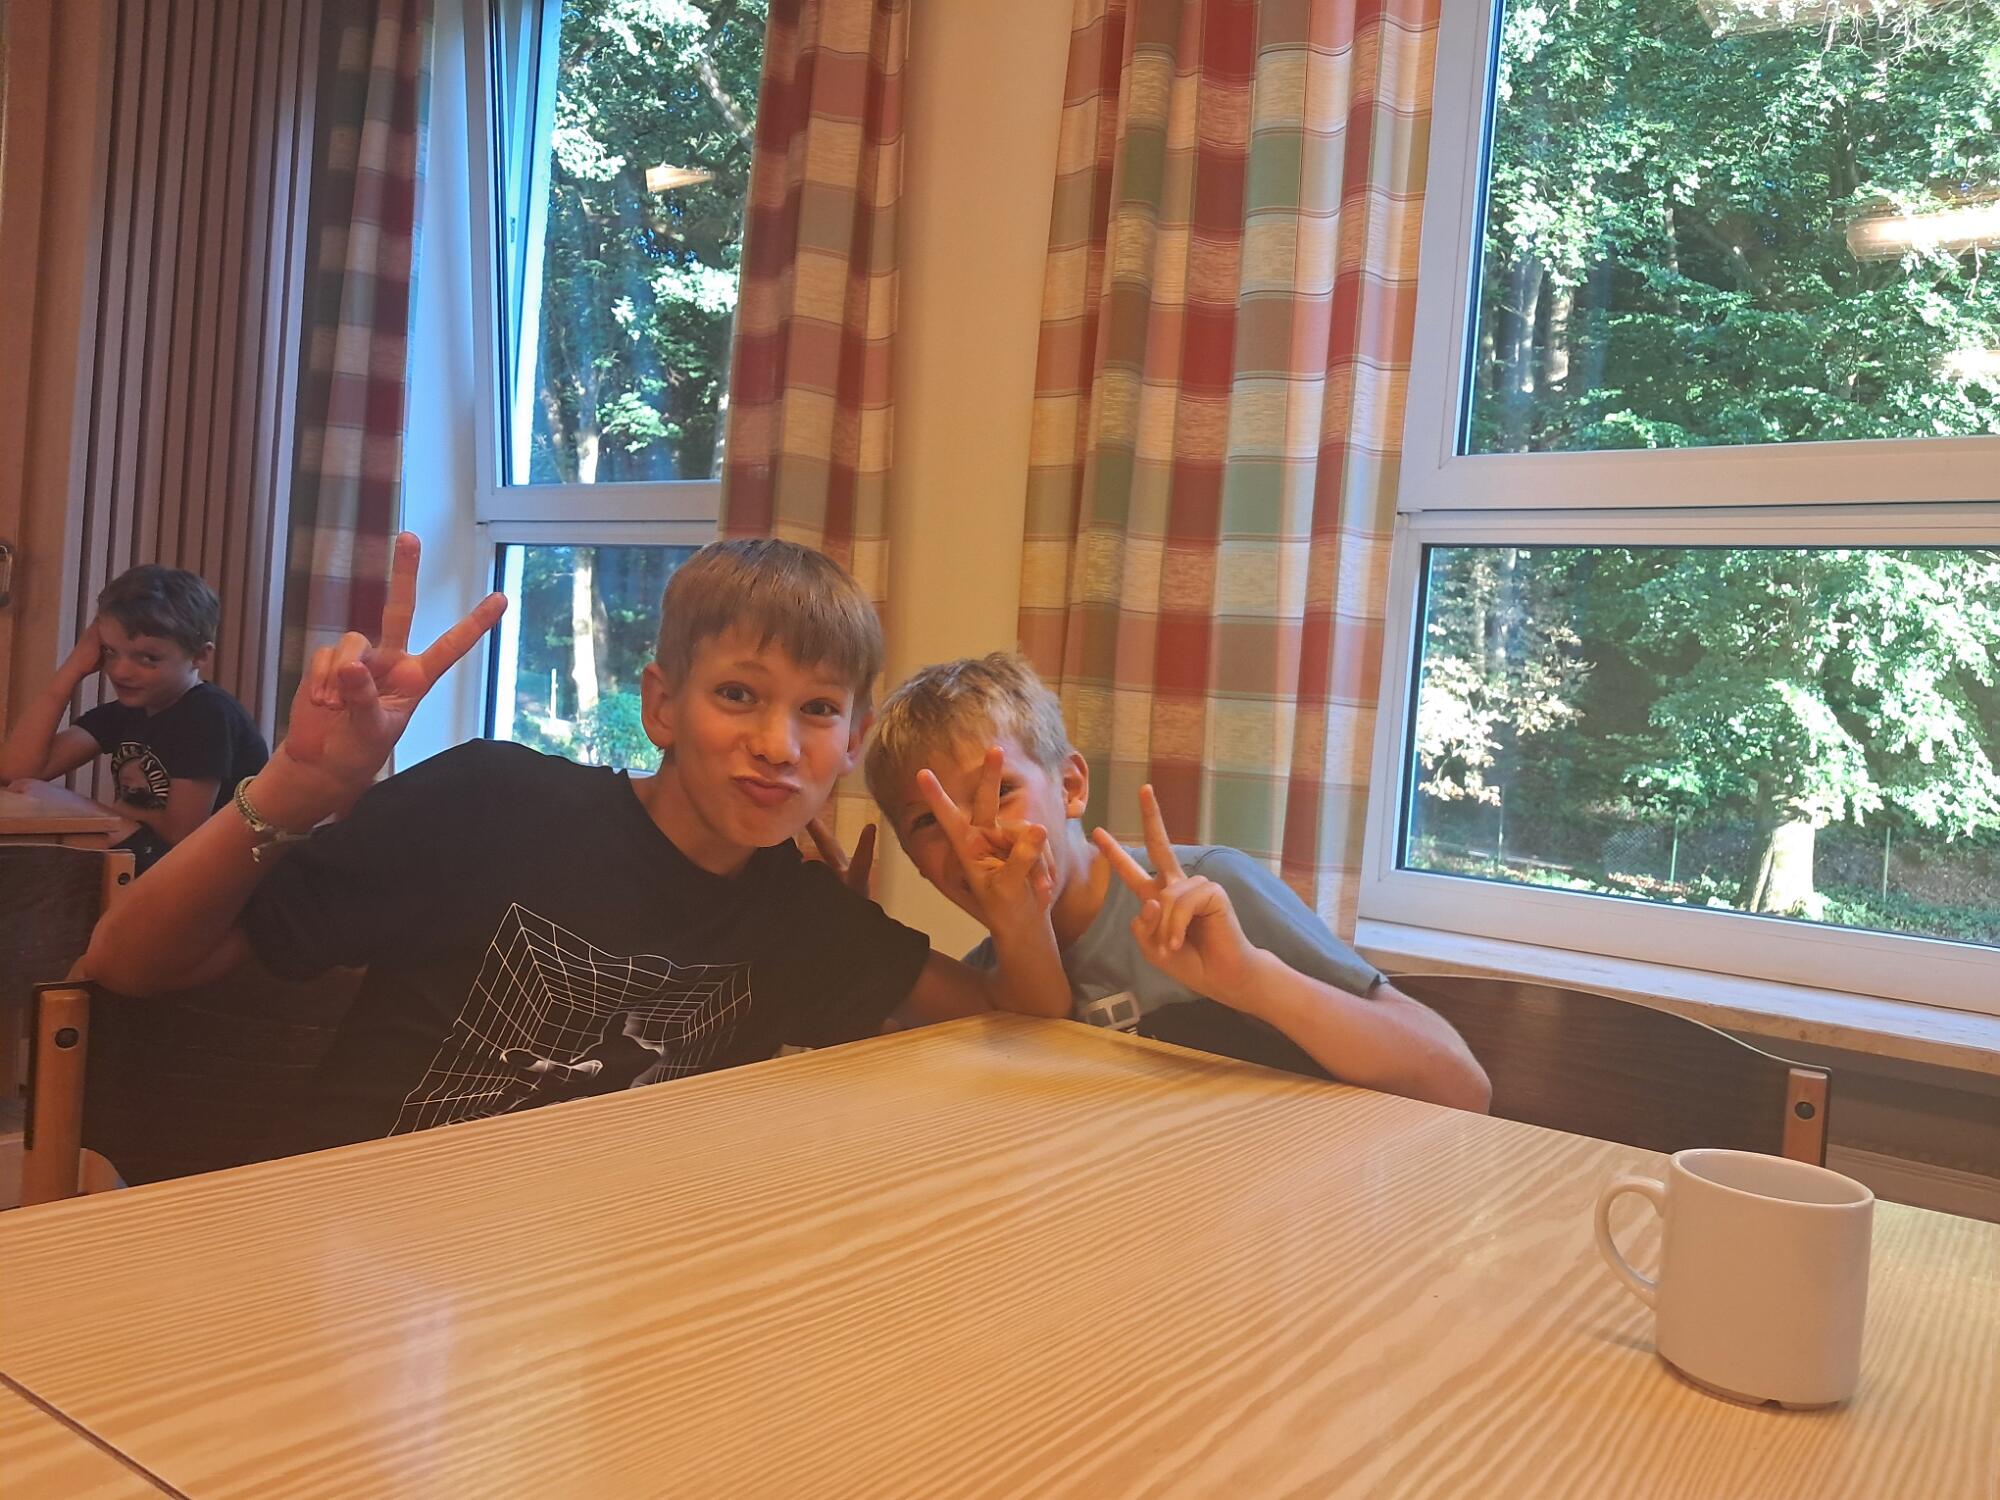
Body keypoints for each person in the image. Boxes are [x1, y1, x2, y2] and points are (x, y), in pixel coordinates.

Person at [81, 537, 1069, 1153]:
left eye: (817, 710)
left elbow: (1020, 1030)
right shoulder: (494, 804)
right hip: (354, 1265)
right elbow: (126, 962)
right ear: (660, 706)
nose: (778, 744)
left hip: (592, 1298)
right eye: (738, 694)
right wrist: (302, 785)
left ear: (851, 743)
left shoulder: (800, 919)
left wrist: (1017, 917)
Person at [861, 653, 1492, 1112]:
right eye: (929, 821)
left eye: (999, 791)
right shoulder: (987, 985)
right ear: (912, 861)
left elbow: (1460, 1086)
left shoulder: (1207, 895)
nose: (972, 836)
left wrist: (1253, 979)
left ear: (1071, 786)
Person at [0, 566, 269, 871]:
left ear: (200, 656)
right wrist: (74, 668)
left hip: (217, 874)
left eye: (148, 658)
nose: (120, 671)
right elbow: (16, 771)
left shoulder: (207, 715)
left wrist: (79, 806)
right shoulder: (129, 711)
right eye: (110, 652)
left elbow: (181, 834)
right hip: (166, 863)